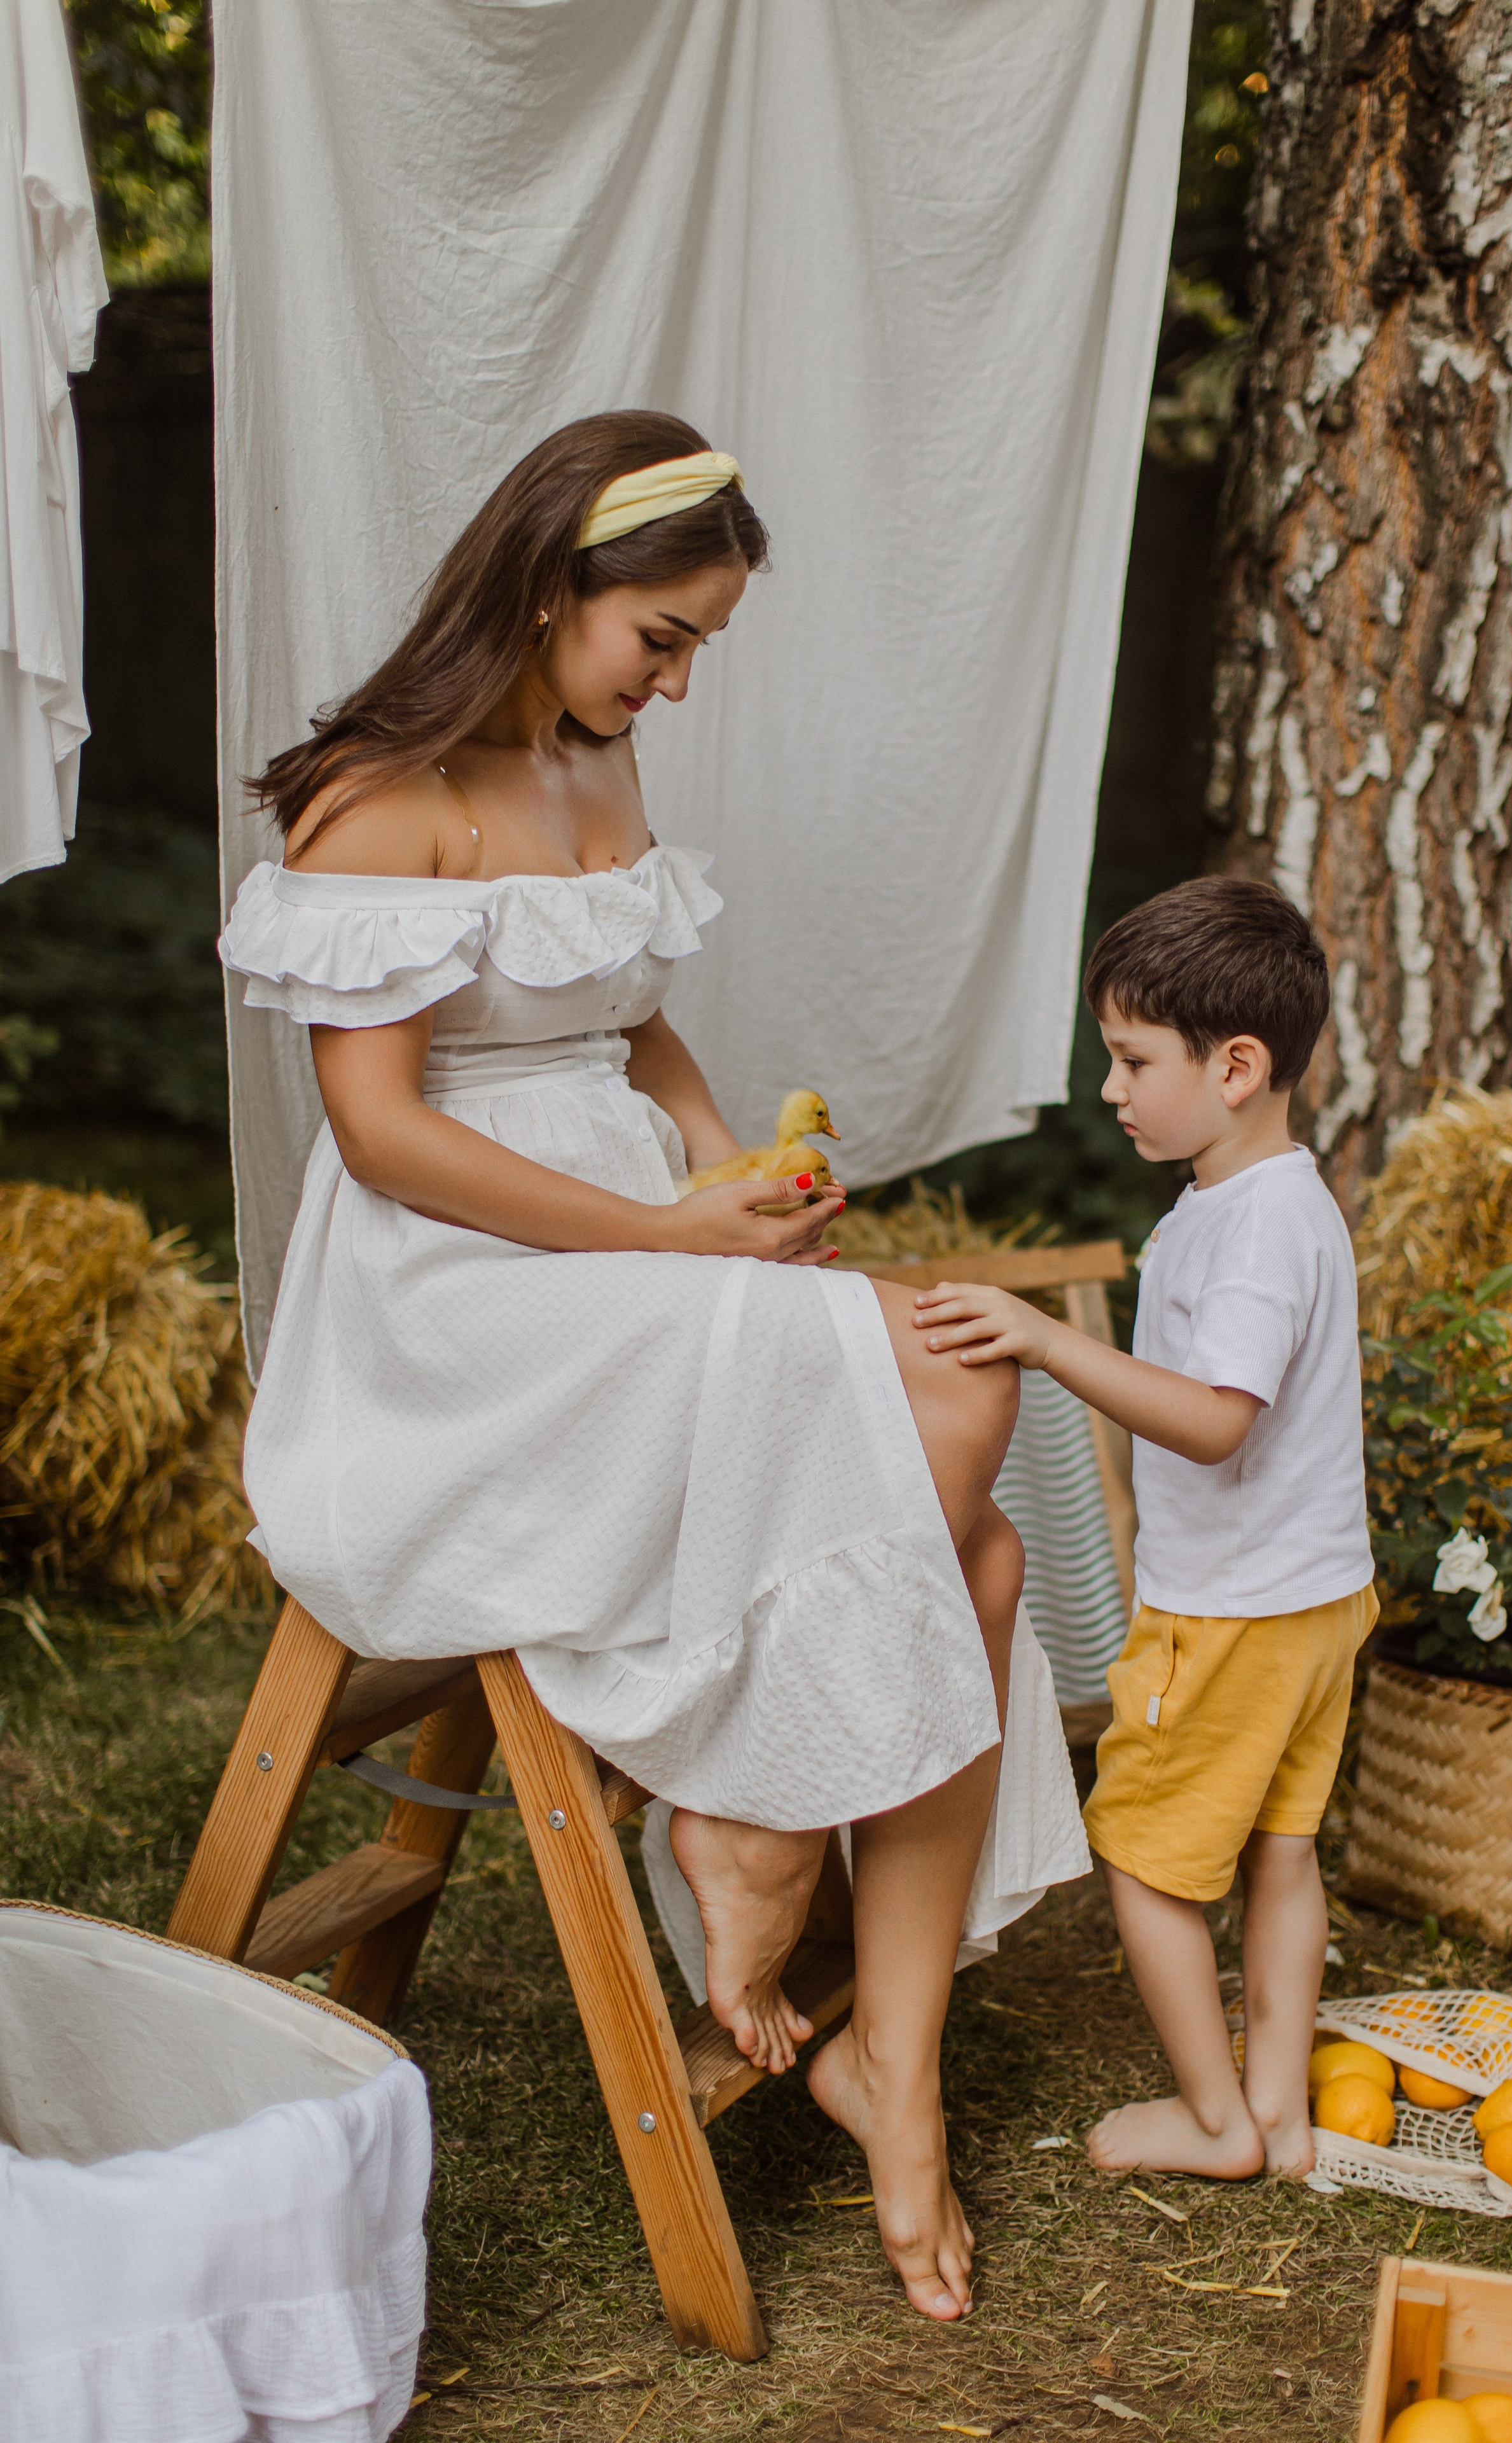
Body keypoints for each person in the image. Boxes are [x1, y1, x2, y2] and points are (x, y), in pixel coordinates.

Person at [219, 410, 1088, 2319]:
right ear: (553, 586)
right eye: (664, 636)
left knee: (987, 1542)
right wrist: (672, 1238)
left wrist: (731, 1173)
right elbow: (384, 1137)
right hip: (461, 1306)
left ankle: (892, 2063)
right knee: (965, 1393)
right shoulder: (383, 798)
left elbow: (635, 1024)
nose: (678, 679)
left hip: (633, 1250)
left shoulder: (594, 768)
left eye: (701, 644)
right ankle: (757, 1817)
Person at [910, 875, 1375, 2182]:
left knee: (1147, 1864)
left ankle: (1216, 2123)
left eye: (1129, 1060)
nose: (1109, 1090)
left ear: (1235, 1067)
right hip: (1314, 1600)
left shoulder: (1249, 1230)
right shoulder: (1267, 1200)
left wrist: (1046, 1340)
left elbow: (1216, 1420)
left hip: (1226, 1612)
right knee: (1282, 1854)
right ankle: (1275, 2109)